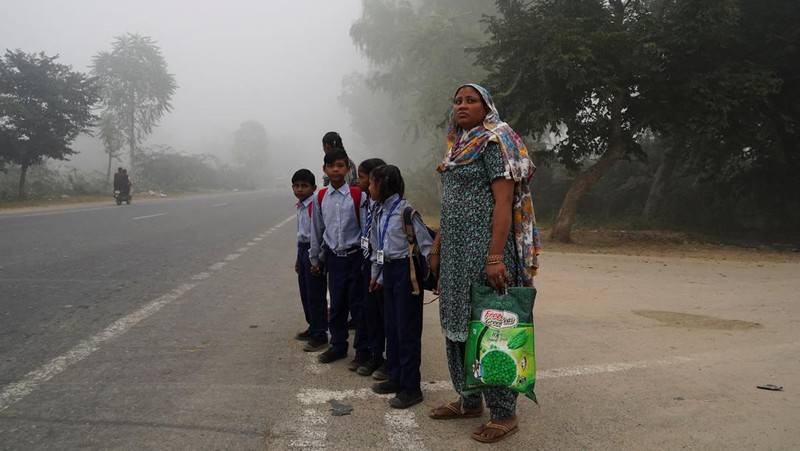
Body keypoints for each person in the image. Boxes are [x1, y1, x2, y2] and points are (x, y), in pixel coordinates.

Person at [427, 84, 540, 443]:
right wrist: (438, 250)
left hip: (485, 252)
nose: (462, 105)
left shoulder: (494, 142)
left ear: (486, 107)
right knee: (457, 325)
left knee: (490, 327)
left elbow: (503, 203)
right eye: (458, 100)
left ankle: (505, 413)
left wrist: (494, 257)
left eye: (470, 100)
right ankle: (469, 399)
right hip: (457, 255)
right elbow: (452, 205)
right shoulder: (458, 147)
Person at [368, 165, 432, 408]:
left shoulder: (406, 212)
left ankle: (412, 387)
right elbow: (377, 247)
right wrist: (377, 275)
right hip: (389, 272)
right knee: (391, 327)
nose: (369, 188)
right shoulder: (378, 212)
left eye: (372, 184)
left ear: (384, 184)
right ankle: (395, 377)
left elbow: (425, 246)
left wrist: (431, 276)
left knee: (407, 330)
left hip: (407, 273)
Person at [309, 149, 370, 365]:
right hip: (334, 258)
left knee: (358, 305)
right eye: (331, 165)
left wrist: (366, 259)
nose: (336, 169)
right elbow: (317, 230)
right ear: (324, 169)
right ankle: (338, 345)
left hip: (355, 258)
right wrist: (315, 259)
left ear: (347, 169)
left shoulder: (357, 195)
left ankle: (362, 350)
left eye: (340, 165)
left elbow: (365, 228)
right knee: (336, 305)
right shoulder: (320, 197)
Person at [354, 158, 390, 380]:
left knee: (384, 314)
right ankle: (371, 353)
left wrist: (379, 271)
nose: (360, 182)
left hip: (384, 265)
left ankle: (386, 358)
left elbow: (385, 242)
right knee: (368, 311)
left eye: (363, 177)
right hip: (369, 262)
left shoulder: (389, 208)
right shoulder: (367, 202)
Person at [291, 169, 329, 352]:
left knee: (316, 294)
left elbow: (317, 233)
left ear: (313, 188)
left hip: (313, 250)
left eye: (304, 186)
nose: (299, 190)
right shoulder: (300, 206)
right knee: (305, 292)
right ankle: (312, 326)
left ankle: (320, 333)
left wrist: (317, 259)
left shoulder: (315, 205)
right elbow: (301, 234)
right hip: (303, 249)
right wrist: (299, 258)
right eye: (296, 186)